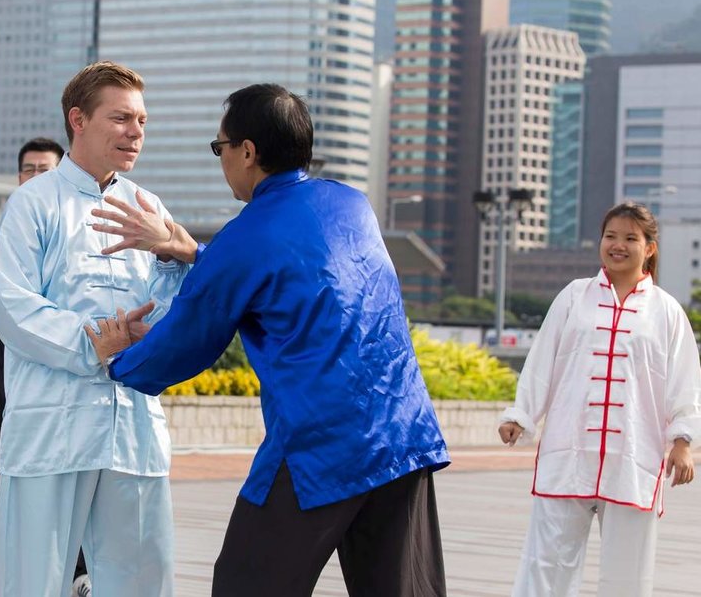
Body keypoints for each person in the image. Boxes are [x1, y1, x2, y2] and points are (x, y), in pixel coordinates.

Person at [85, 83, 450, 596]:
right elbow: (294, 266)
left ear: (248, 152)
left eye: (220, 148)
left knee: (245, 583)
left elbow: (189, 339)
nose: (222, 160)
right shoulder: (351, 204)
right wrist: (193, 251)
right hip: (401, 432)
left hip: (318, 445)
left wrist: (118, 360)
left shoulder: (246, 235)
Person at [0, 61, 189, 597]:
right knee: (34, 577)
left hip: (134, 426)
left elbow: (170, 311)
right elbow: (10, 304)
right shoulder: (33, 203)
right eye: (121, 118)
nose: (136, 132)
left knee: (144, 577)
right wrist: (93, 340)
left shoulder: (149, 209)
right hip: (52, 424)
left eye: (142, 121)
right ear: (78, 119)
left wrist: (171, 260)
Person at [497, 201, 701, 597]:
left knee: (628, 575)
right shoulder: (575, 296)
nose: (618, 245)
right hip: (567, 454)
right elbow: (543, 359)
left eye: (630, 238)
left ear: (650, 247)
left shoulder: (667, 312)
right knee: (546, 565)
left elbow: (684, 382)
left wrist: (682, 442)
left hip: (633, 460)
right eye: (611, 236)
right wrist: (520, 415)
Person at [0, 138, 92, 596]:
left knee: (79, 477)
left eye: (45, 168)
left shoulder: (82, 226)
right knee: (17, 474)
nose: (35, 176)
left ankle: (80, 572)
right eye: (27, 169)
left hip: (75, 371)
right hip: (14, 379)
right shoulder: (3, 232)